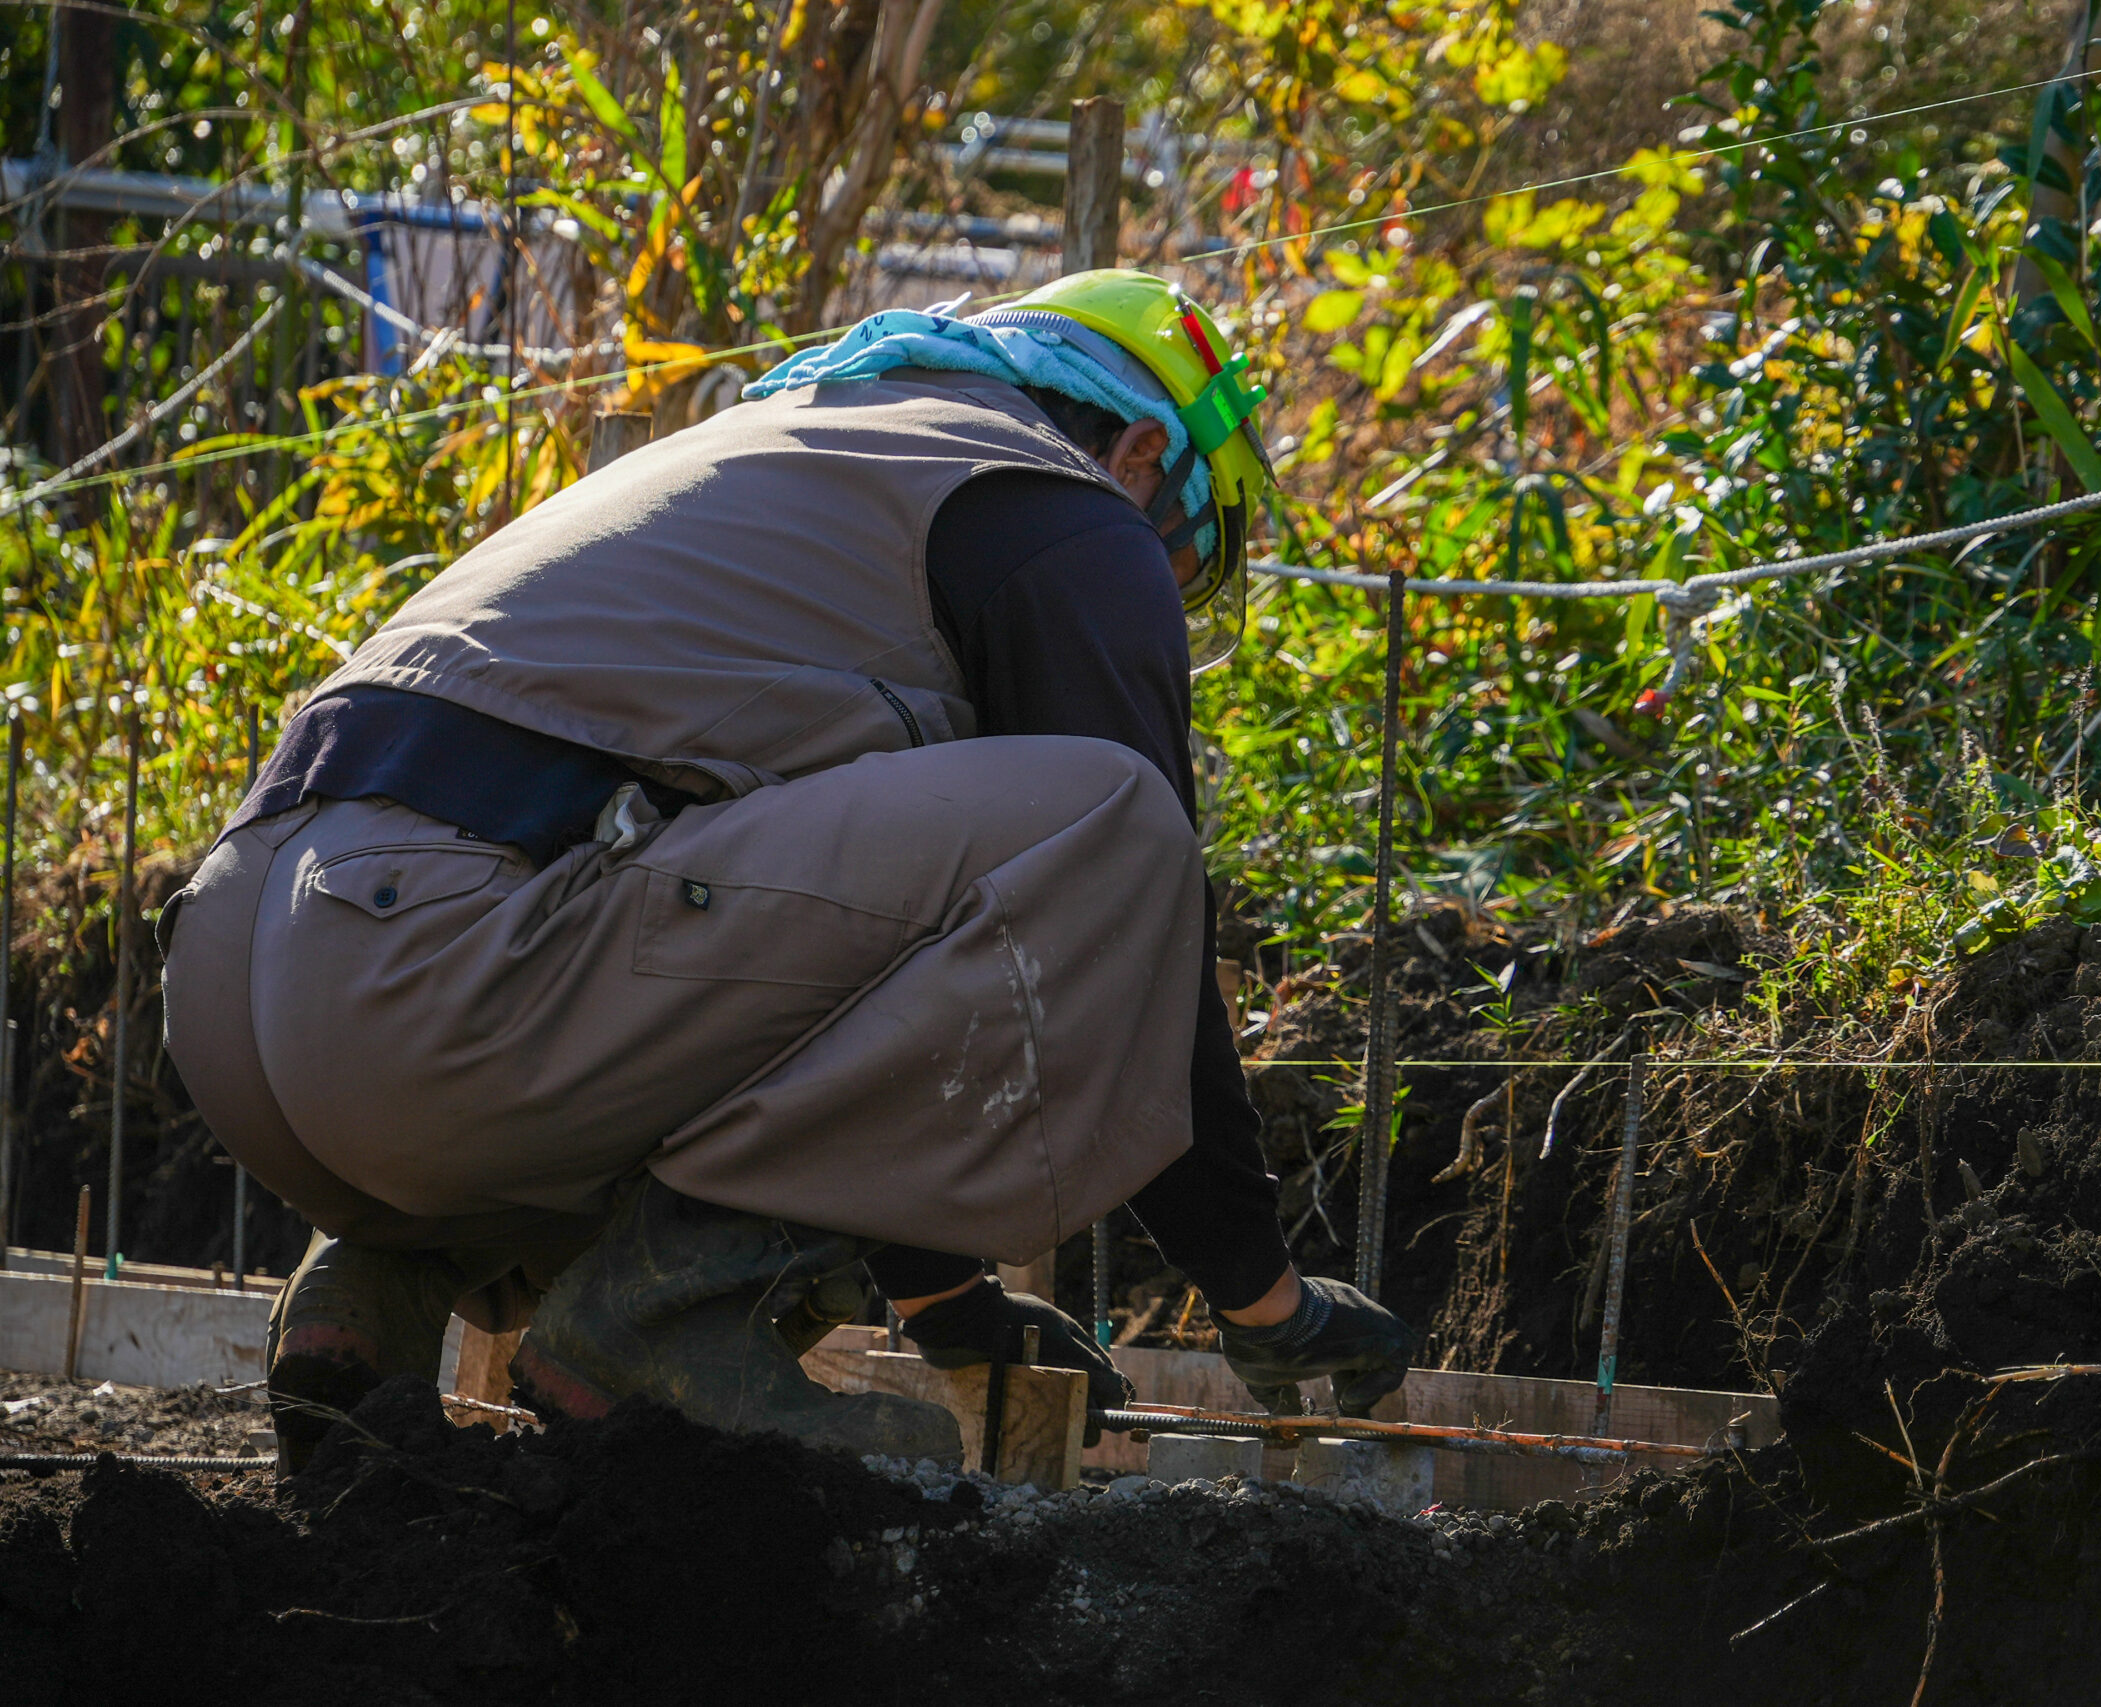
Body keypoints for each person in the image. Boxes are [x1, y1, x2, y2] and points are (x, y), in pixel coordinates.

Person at [160, 269, 1417, 1472]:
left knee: (763, 905)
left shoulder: (810, 448)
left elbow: (802, 962)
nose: (1157, 586)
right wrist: (1260, 1296)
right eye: (1182, 552)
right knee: (1117, 823)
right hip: (439, 984)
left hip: (254, 992)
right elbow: (1144, 929)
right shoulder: (1066, 511)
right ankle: (649, 1340)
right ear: (1142, 454)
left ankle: (380, 1283)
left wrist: (946, 1305)